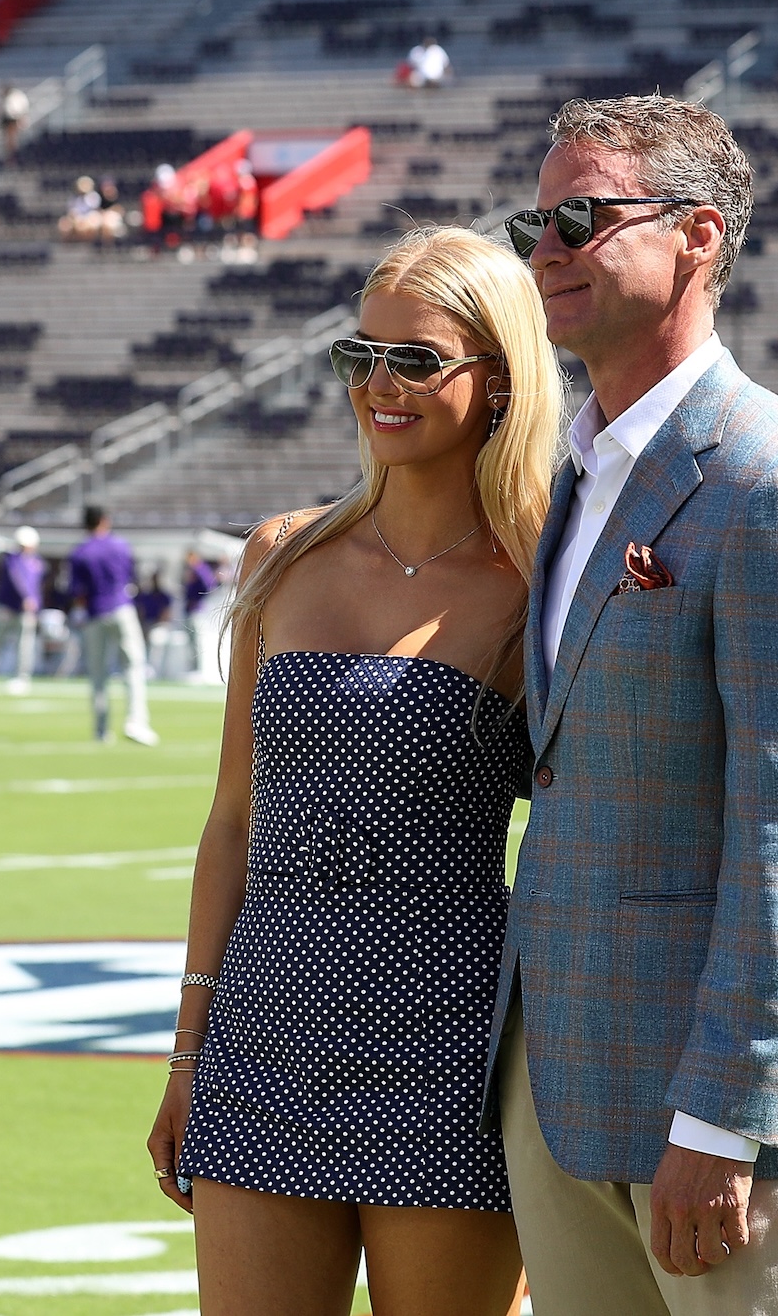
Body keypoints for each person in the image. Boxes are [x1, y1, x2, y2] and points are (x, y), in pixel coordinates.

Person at [493, 94, 778, 1315]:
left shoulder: (776, 475)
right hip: (564, 1085)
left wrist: (723, 1114)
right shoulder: (583, 467)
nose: (544, 251)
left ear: (698, 237)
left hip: (718, 1122)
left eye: (581, 217)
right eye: (533, 223)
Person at [147, 226, 562, 1316]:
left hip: (449, 1049)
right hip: (261, 1037)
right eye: (357, 355)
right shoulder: (281, 553)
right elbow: (232, 822)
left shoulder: (538, 581)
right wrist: (188, 1050)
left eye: (415, 360)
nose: (378, 385)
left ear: (500, 380)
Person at [70, 507, 158, 746]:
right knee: (133, 667)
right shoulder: (120, 545)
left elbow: (78, 592)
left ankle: (101, 730)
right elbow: (131, 578)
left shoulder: (80, 552)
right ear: (104, 521)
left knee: (98, 674)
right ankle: (136, 722)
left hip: (94, 614)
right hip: (121, 608)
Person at [0, 527, 44, 693]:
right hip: (7, 608)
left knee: (24, 645)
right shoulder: (11, 559)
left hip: (26, 611)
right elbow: (17, 580)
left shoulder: (36, 562)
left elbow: (35, 586)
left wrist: (34, 602)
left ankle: (22, 677)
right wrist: (26, 598)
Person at [182, 549, 220, 677]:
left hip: (197, 609)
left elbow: (209, 585)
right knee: (191, 640)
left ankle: (199, 669)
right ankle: (194, 668)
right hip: (191, 609)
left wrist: (198, 598)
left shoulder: (200, 569)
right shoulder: (193, 570)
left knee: (197, 639)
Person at [0, 84, 30, 164]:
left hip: (14, 119)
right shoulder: (16, 96)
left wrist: (18, 118)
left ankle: (15, 158)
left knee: (13, 140)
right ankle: (13, 158)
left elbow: (14, 110)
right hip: (13, 119)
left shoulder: (14, 97)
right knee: (11, 141)